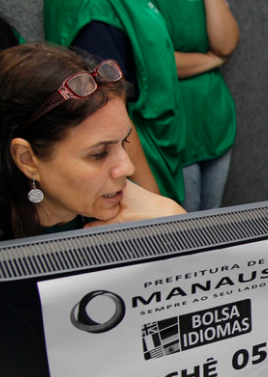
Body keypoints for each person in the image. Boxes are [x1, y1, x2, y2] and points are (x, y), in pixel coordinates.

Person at [0, 43, 184, 241]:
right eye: (98, 154)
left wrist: (174, 221)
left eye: (124, 142)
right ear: (27, 159)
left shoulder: (140, 213)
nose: (128, 168)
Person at [44, 0, 186, 202]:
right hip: (137, 158)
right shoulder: (93, 0)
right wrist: (151, 195)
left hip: (158, 147)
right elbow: (104, 109)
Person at [139, 0, 239, 211]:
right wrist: (213, 60)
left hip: (214, 121)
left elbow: (225, 44)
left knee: (213, 218)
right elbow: (157, 62)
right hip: (172, 128)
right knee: (184, 222)